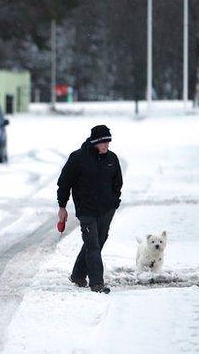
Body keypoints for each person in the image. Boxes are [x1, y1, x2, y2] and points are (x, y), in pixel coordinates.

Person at [57, 124, 123, 294]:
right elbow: (64, 183)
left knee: (97, 242)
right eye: (103, 143)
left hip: (107, 210)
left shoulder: (112, 158)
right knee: (93, 244)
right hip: (86, 210)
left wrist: (114, 201)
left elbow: (118, 182)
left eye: (108, 142)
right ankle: (97, 283)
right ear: (95, 142)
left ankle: (78, 275)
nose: (107, 146)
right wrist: (62, 206)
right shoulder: (78, 158)